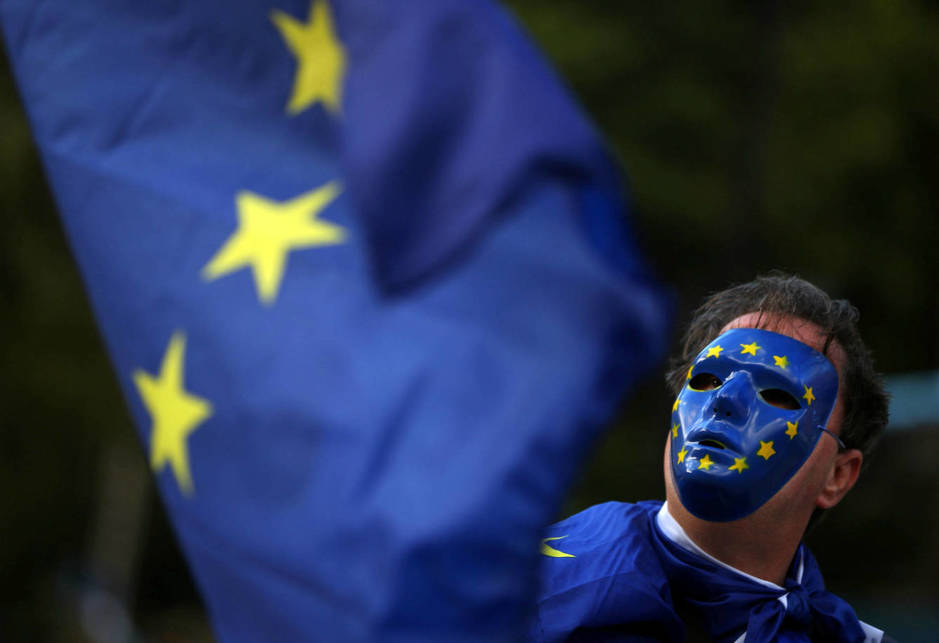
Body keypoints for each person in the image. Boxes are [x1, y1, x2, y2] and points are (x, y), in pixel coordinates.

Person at [529, 273, 894, 642]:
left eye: (777, 394)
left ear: (836, 475)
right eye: (706, 380)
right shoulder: (529, 582)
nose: (724, 399)